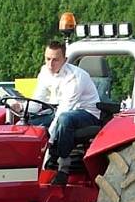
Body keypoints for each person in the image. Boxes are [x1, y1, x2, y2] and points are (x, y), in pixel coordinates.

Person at [18, 40, 101, 186]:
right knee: (29, 122)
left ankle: (62, 166)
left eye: (55, 60)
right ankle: (24, 164)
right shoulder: (45, 72)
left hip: (86, 113)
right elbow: (37, 102)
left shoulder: (75, 77)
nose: (50, 64)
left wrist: (49, 140)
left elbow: (65, 108)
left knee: (64, 119)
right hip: (60, 110)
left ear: (65, 60)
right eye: (47, 59)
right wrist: (21, 109)